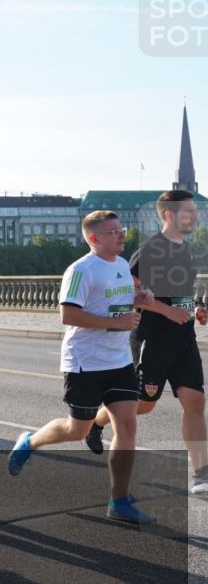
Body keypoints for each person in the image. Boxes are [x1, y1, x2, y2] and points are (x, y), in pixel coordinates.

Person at [8, 210, 156, 523]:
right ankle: (30, 441)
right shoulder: (80, 270)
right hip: (84, 362)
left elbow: (120, 302)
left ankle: (118, 501)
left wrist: (139, 298)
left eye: (121, 229)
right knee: (78, 430)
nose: (121, 235)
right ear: (94, 238)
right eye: (114, 231)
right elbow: (68, 315)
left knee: (127, 425)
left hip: (119, 361)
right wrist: (113, 321)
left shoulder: (120, 265)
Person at [84, 191, 208, 495]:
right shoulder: (150, 250)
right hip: (153, 340)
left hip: (184, 339)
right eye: (189, 211)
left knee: (195, 401)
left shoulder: (187, 250)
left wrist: (196, 309)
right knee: (143, 405)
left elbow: (181, 292)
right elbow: (131, 292)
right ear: (169, 215)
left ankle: (201, 474)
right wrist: (167, 311)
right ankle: (96, 422)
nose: (195, 216)